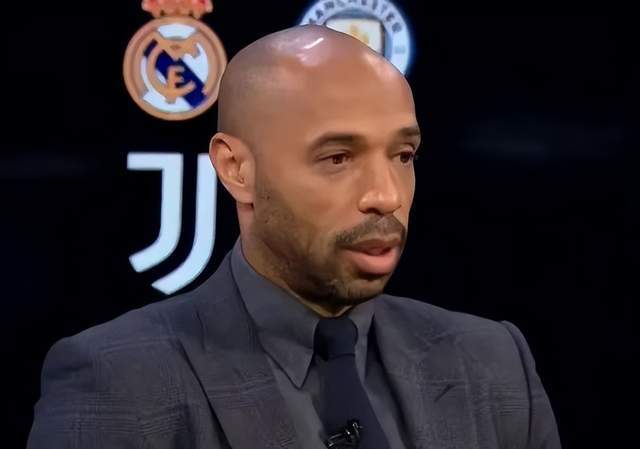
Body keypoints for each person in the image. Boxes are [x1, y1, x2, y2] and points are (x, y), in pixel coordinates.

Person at [28, 25, 561, 448]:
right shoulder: (118, 381)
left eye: (403, 155)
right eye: (338, 158)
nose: (386, 195)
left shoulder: (494, 364)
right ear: (237, 170)